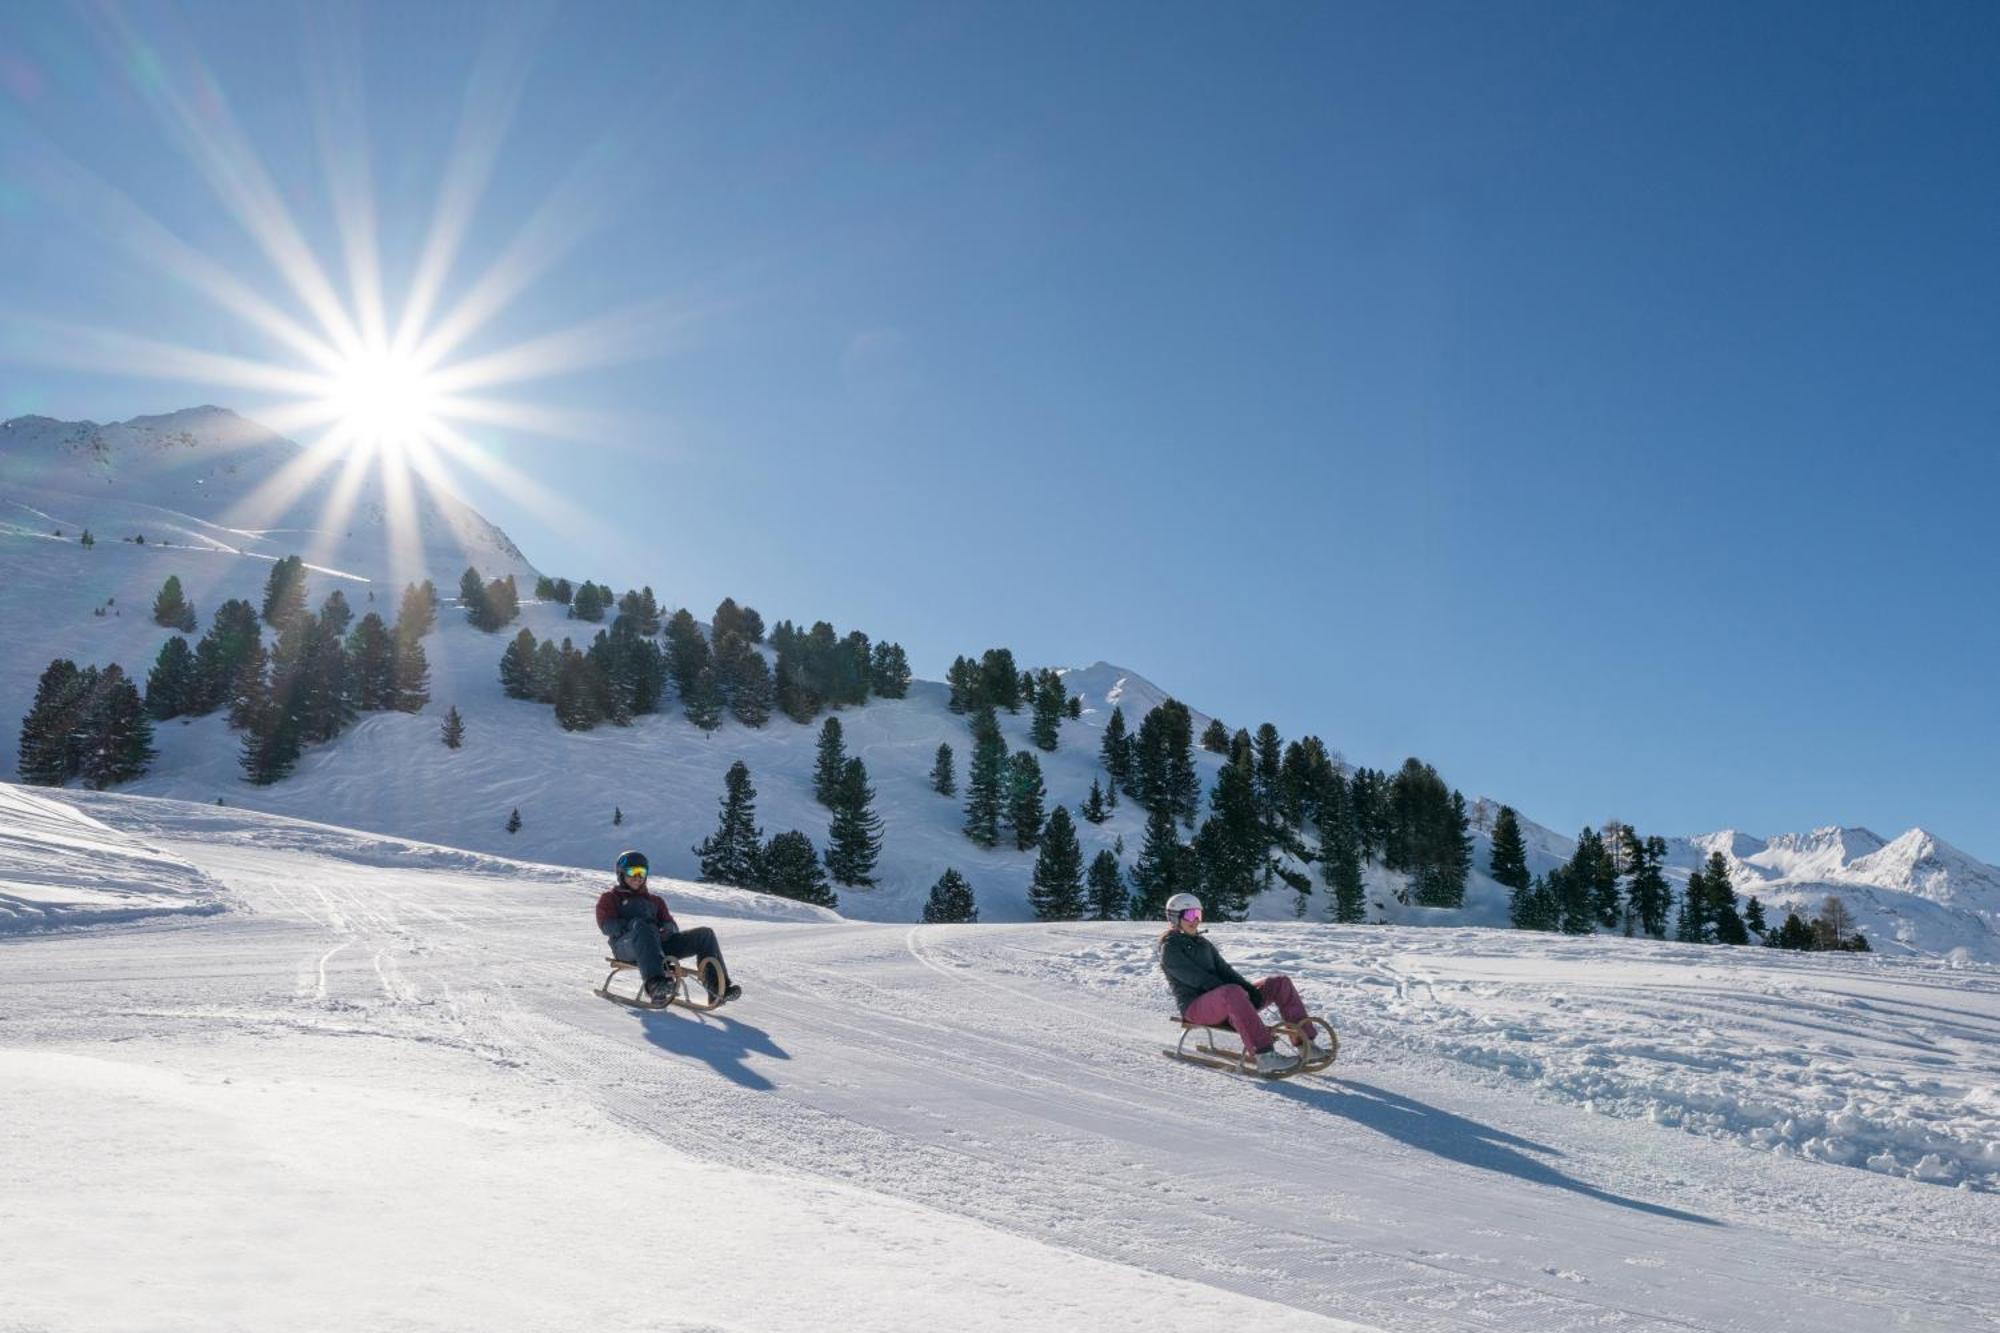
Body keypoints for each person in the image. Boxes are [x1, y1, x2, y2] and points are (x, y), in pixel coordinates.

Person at [1159, 892, 1325, 1074]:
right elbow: (1196, 978)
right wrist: (1235, 991)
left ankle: (1305, 1045)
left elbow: (1226, 971)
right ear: (1175, 917)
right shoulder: (1170, 948)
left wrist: (1247, 989)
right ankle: (1265, 1056)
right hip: (1195, 1008)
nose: (1196, 920)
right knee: (1231, 992)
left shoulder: (1203, 944)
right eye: (1190, 915)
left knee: (1279, 983)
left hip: (1227, 999)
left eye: (1198, 915)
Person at [595, 850, 742, 1005]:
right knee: (643, 926)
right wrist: (632, 924)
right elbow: (606, 926)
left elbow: (671, 925)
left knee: (705, 935)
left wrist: (666, 929)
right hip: (626, 947)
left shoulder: (655, 901)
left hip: (657, 945)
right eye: (633, 872)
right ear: (621, 874)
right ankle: (655, 985)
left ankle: (718, 990)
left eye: (642, 872)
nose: (638, 877)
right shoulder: (610, 898)